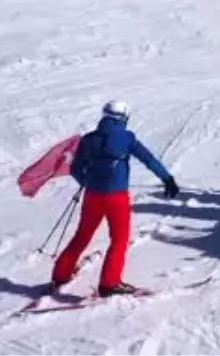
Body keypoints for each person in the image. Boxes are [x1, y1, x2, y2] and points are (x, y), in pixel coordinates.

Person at [52, 101, 179, 297]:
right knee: (119, 239)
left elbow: (75, 168)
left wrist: (88, 181)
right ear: (124, 118)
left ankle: (60, 274)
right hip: (116, 197)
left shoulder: (89, 139)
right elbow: (148, 159)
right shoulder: (127, 138)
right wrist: (167, 178)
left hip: (92, 195)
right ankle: (109, 283)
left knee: (82, 235)